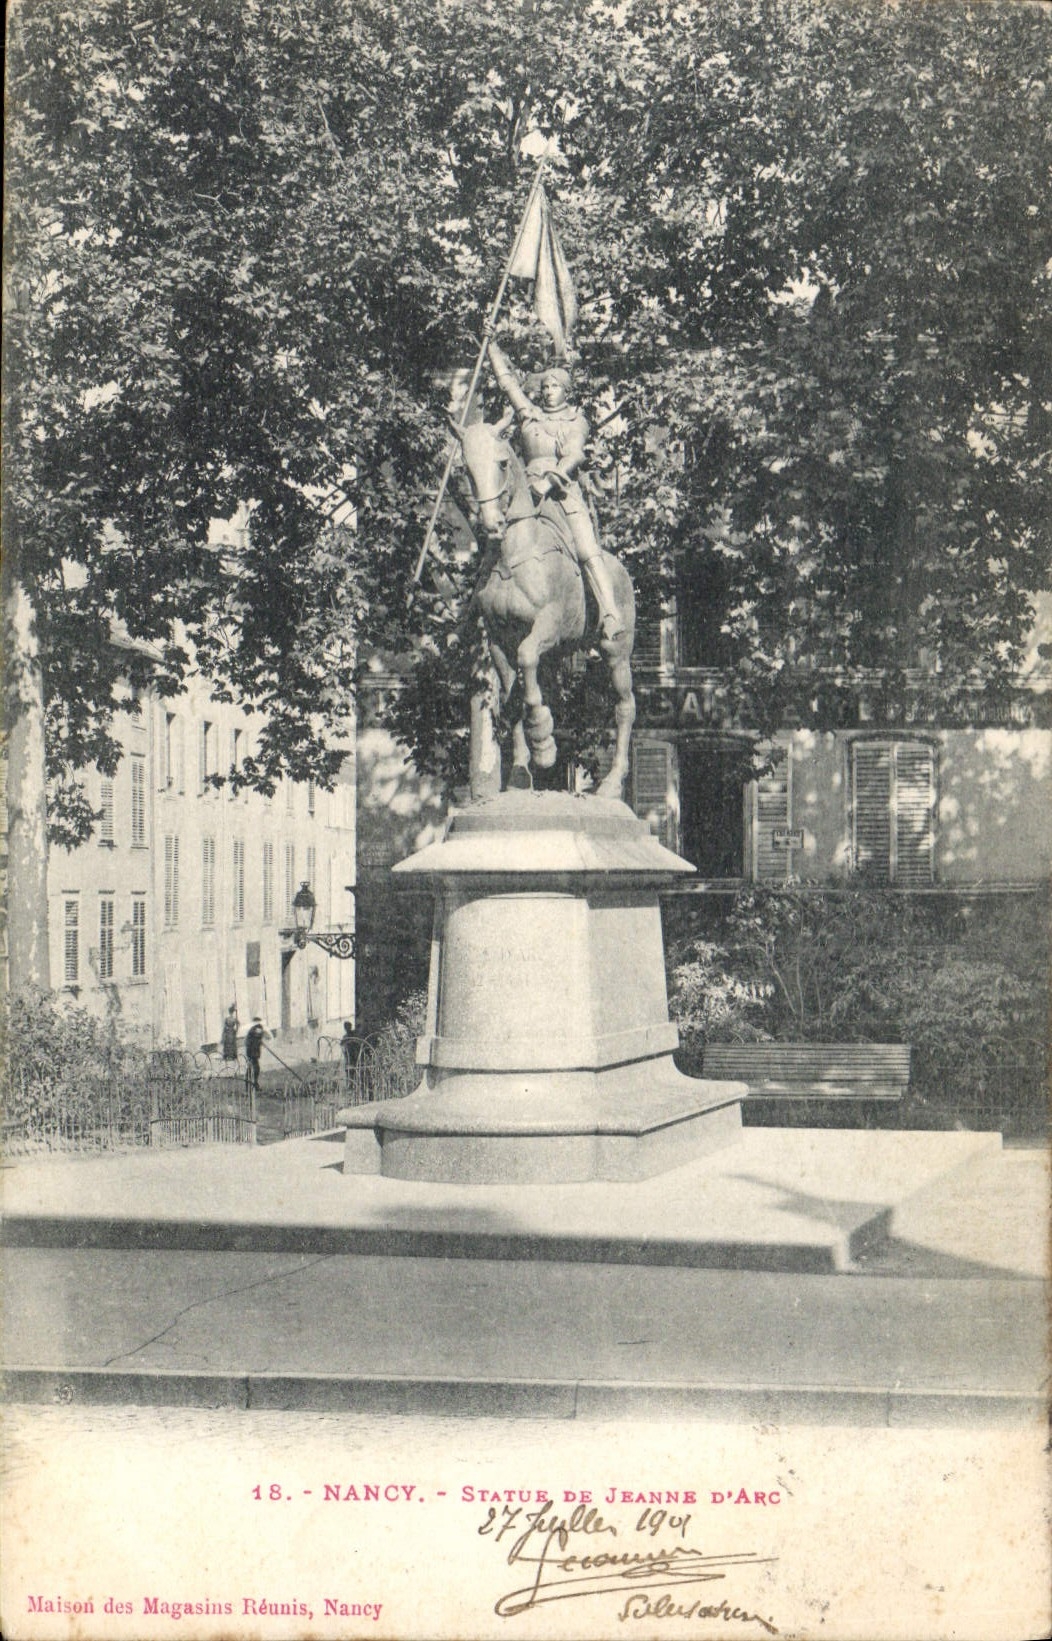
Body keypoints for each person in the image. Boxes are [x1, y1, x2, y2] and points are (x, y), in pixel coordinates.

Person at [486, 339, 625, 641]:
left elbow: (575, 455)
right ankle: (470, 616)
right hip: (524, 494)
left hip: (561, 494)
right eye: (545, 387)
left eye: (555, 387)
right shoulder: (530, 415)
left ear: (566, 390)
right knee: (494, 545)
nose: (549, 392)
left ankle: (610, 611)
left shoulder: (576, 420)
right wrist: (491, 348)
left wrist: (549, 481)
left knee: (587, 549)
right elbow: (508, 384)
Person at [244, 1017, 265, 1092]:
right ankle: (250, 1086)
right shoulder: (254, 1030)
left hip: (254, 1052)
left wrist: (259, 1041)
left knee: (254, 1069)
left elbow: (260, 1035)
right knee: (253, 1069)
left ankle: (253, 1085)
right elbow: (250, 1041)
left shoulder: (257, 1029)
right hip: (251, 1052)